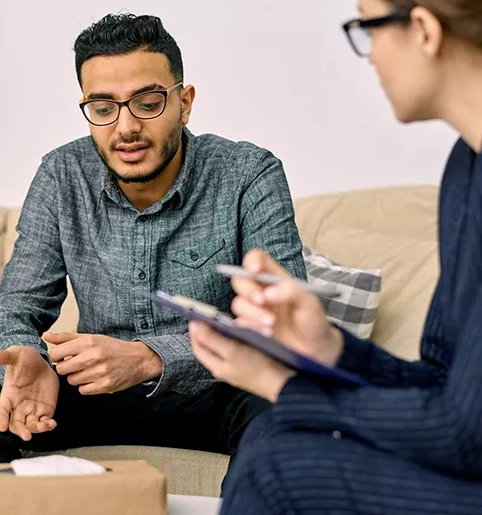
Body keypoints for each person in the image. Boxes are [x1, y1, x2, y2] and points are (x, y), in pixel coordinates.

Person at [0, 13, 306, 466]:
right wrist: (28, 358)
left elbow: (282, 330)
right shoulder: (62, 175)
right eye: (104, 107)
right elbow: (13, 308)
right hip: (95, 396)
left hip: (215, 392)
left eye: (147, 102)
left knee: (289, 399)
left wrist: (151, 357)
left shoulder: (249, 174)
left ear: (184, 103)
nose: (125, 127)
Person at [189, 0, 482, 512]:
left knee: (277, 472)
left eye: (367, 26)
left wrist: (277, 382)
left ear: (423, 31)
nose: (368, 57)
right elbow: (442, 382)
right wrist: (328, 348)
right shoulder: (466, 170)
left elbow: (462, 434)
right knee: (273, 433)